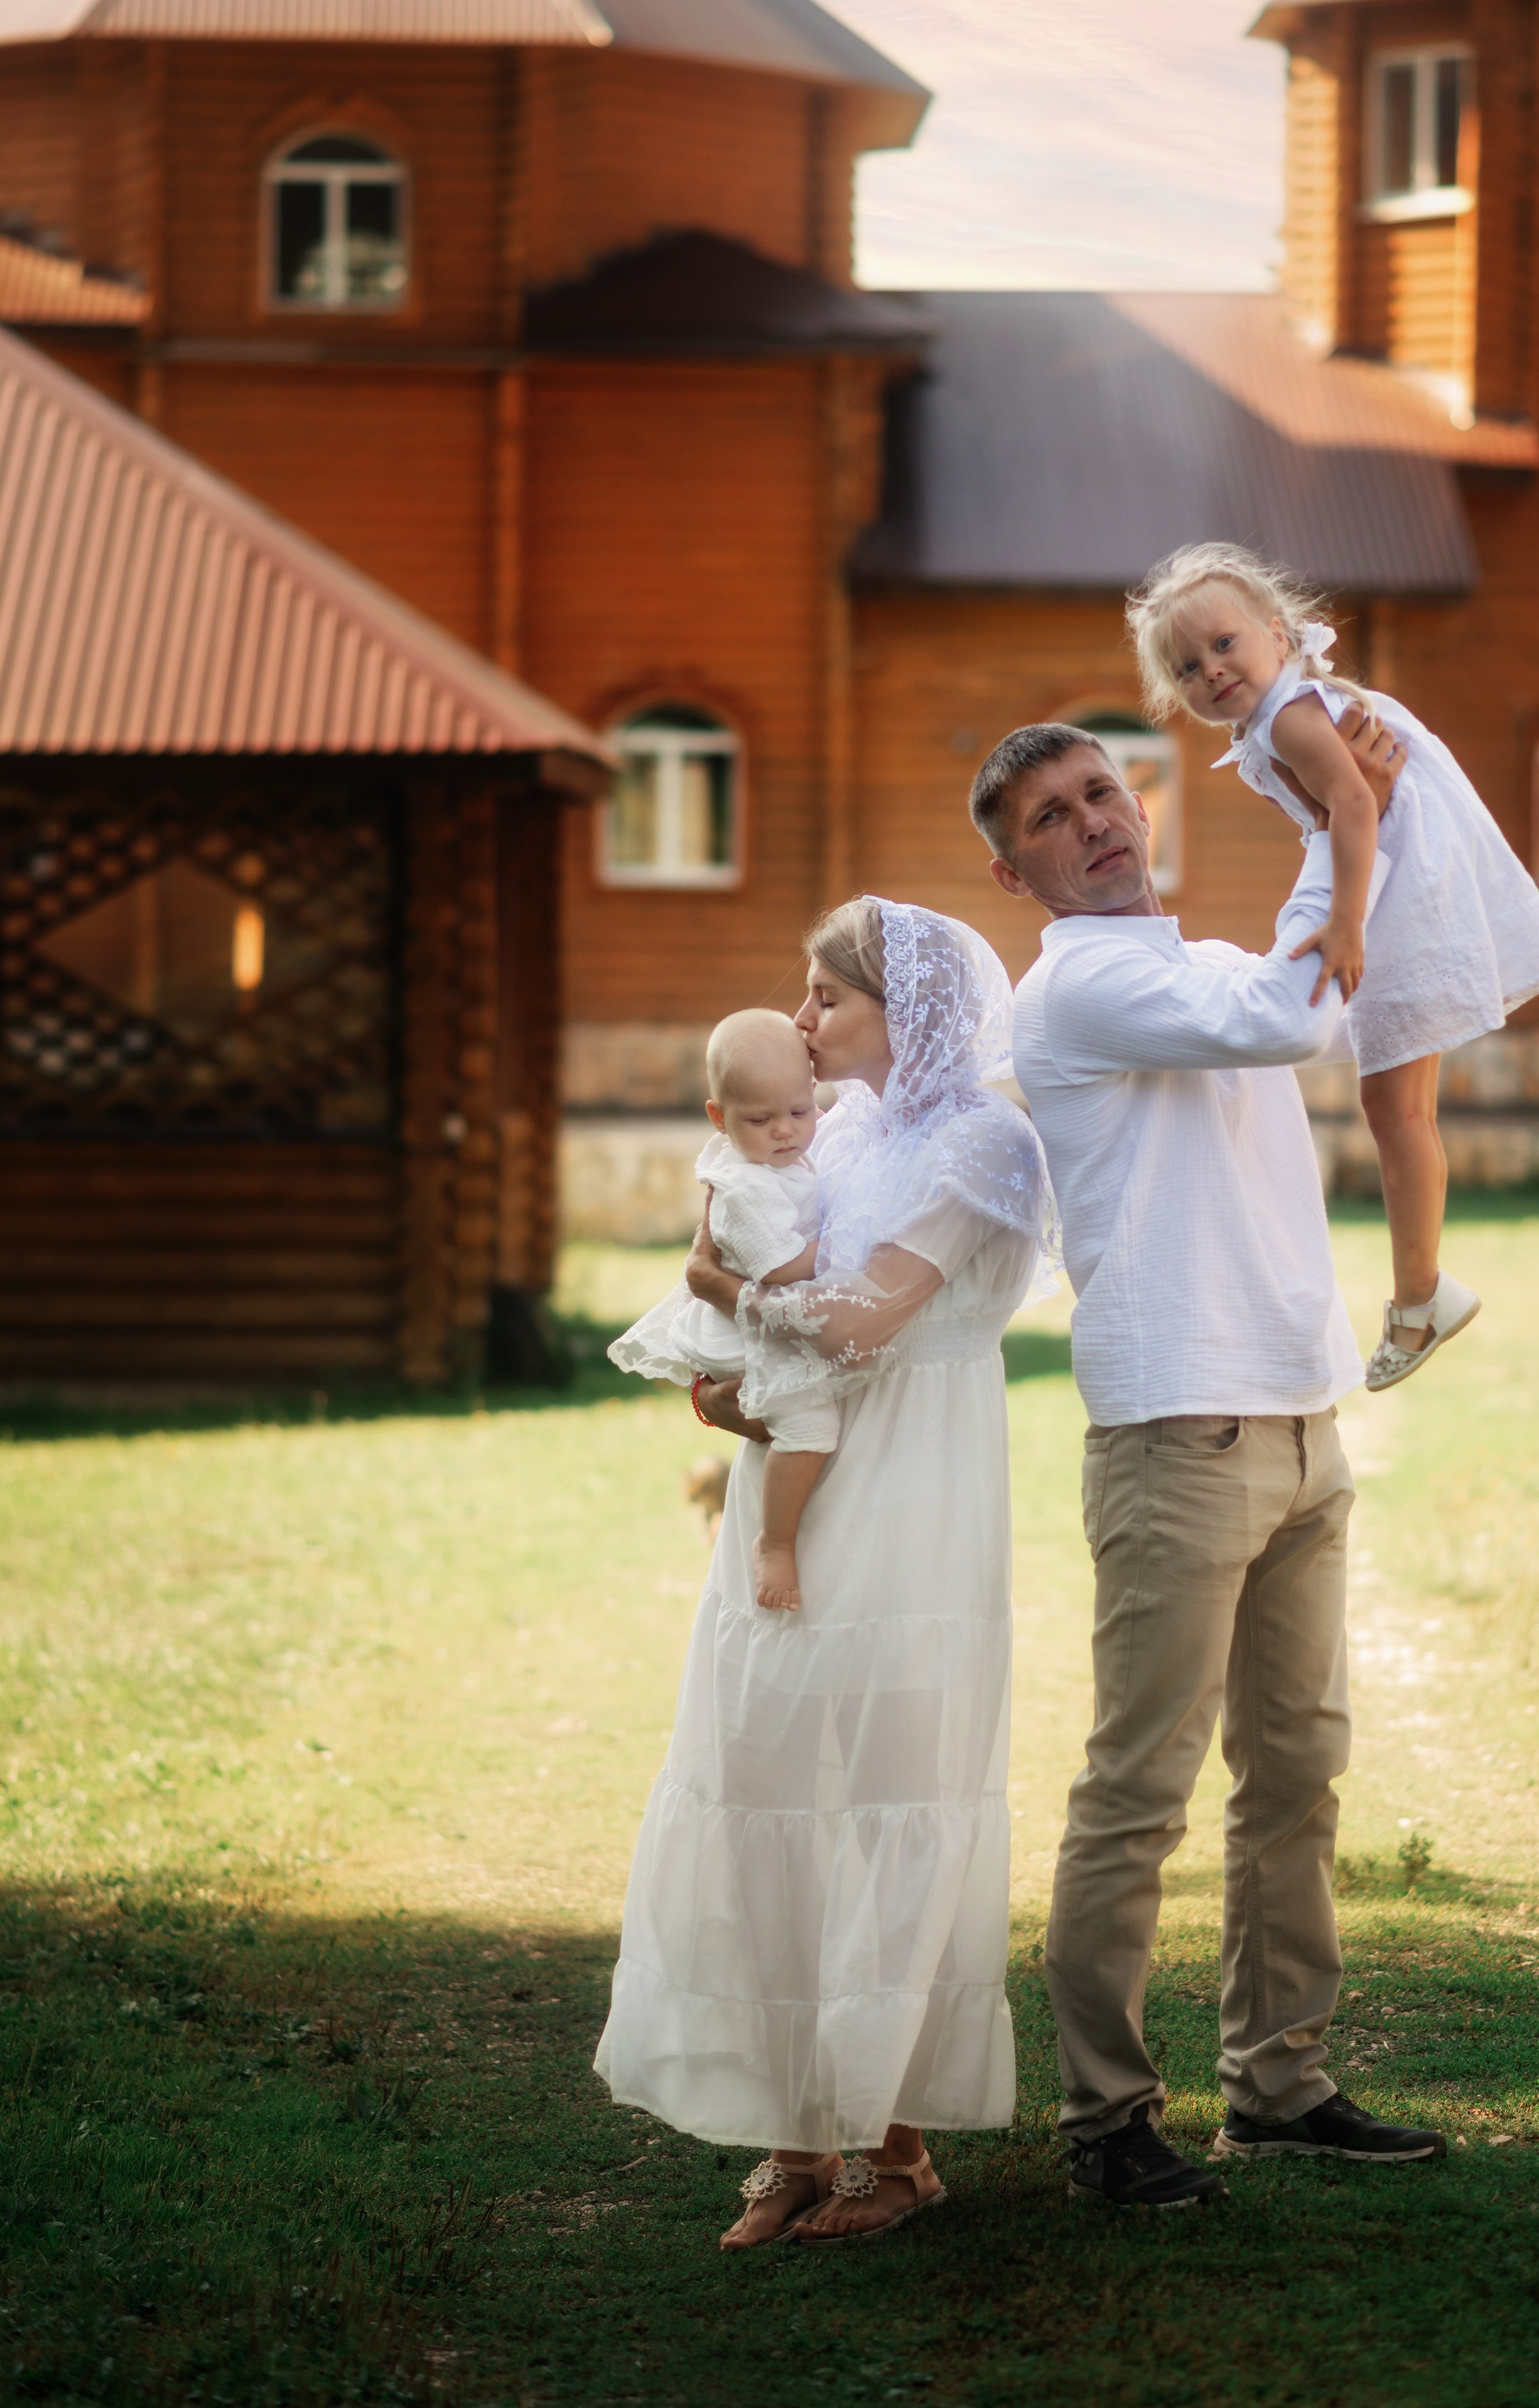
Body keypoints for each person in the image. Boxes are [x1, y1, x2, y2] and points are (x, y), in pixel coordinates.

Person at [973, 716, 1447, 2210]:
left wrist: (1358, 817)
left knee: (1296, 1776)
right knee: (1139, 1793)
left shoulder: (1204, 969)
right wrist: (1333, 817)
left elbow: (1310, 994)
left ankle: (1278, 2084)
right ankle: (1106, 2117)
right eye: (1052, 818)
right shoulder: (1081, 983)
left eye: (1102, 791)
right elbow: (1288, 1014)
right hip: (1177, 1438)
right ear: (1015, 874)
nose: (1094, 821)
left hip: (1301, 1421)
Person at [596, 898, 1054, 2248]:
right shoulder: (830, 1128)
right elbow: (750, 1263)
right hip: (797, 1477)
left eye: (827, 997)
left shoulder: (983, 1140)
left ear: (906, 1012)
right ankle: (796, 2132)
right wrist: (723, 1379)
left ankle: (897, 2149)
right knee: (767, 1776)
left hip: (914, 1484)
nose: (801, 1023)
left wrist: (726, 1298)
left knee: (892, 1785)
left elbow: (858, 1324)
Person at [1128, 542, 1539, 1390]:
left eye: (1223, 644)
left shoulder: (1290, 718)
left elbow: (1357, 803)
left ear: (1275, 632)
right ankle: (1422, 1292)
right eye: (1185, 667)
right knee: (1403, 1109)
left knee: (1395, 1110)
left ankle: (1419, 1298)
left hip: (1404, 894)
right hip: (1415, 879)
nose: (1209, 670)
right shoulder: (1282, 712)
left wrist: (1343, 922)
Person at [609, 1009, 833, 1610]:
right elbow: (781, 1268)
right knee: (809, 1425)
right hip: (742, 1337)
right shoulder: (743, 1187)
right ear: (719, 1117)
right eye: (760, 1119)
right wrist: (851, 1246)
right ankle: (776, 1543)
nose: (784, 1130)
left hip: (767, 1322)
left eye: (800, 1111)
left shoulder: (782, 1159)